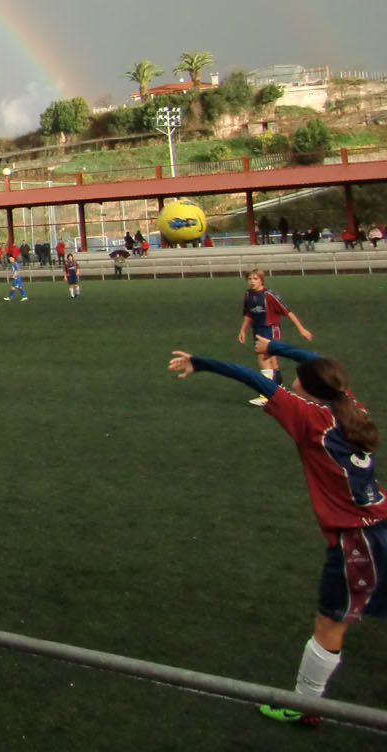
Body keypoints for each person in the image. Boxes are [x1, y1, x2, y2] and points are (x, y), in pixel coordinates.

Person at [168, 338, 387, 725]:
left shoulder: (308, 418)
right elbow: (317, 360)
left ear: (310, 388)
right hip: (382, 521)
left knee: (330, 621)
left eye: (298, 379)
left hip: (357, 539)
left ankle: (305, 706)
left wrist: (200, 362)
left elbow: (253, 378)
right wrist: (276, 346)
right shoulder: (349, 403)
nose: (293, 382)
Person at [238, 270, 313, 409]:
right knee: (272, 361)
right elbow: (249, 314)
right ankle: (279, 389)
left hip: (270, 330)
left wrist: (301, 329)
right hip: (257, 330)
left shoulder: (269, 295)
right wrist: (243, 330)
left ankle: (266, 396)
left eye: (255, 278)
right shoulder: (248, 295)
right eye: (250, 279)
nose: (252, 281)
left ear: (262, 280)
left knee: (263, 359)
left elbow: (287, 311)